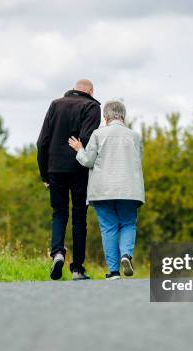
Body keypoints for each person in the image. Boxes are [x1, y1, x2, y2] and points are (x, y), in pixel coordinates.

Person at [68, 100, 145, 280]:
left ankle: (113, 271)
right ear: (123, 117)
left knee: (108, 228)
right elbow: (138, 161)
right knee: (127, 223)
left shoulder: (98, 134)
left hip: (103, 190)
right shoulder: (135, 136)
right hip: (129, 189)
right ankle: (126, 254)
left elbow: (88, 161)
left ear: (106, 116)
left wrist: (79, 149)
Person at [37, 79, 101, 281]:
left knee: (59, 213)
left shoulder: (56, 104)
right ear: (90, 91)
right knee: (79, 216)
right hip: (79, 168)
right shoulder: (92, 106)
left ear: (74, 89)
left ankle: (57, 253)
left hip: (54, 168)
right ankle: (77, 269)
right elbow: (86, 138)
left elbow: (42, 142)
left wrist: (44, 173)